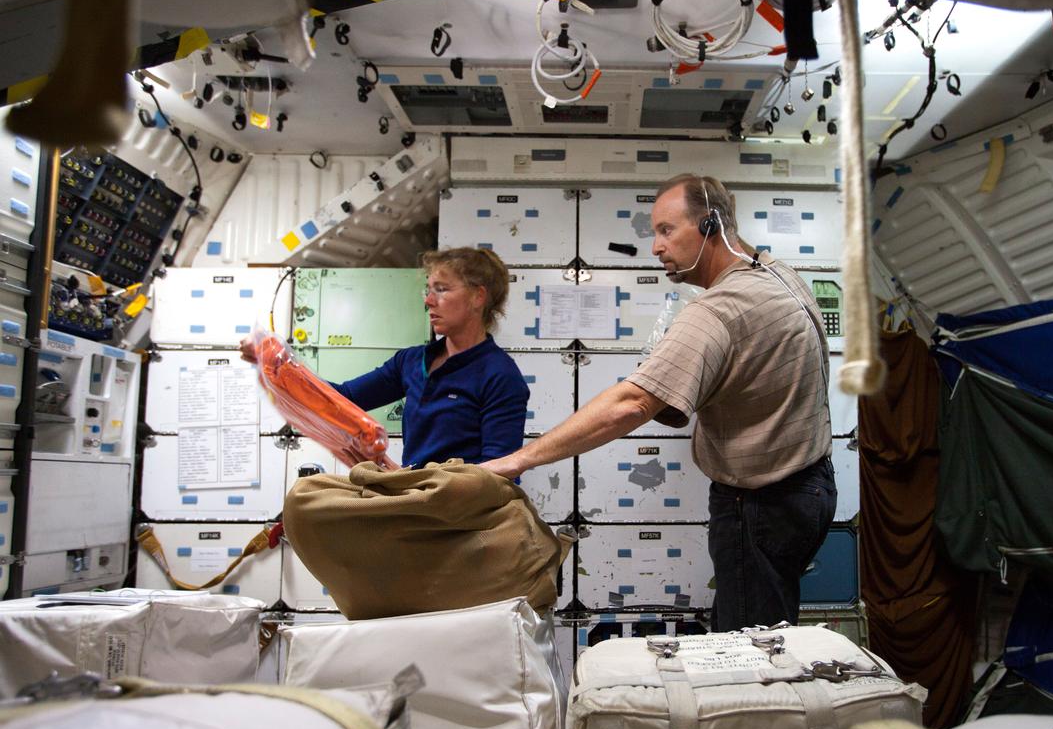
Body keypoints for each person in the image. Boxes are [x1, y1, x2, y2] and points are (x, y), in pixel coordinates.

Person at [482, 174, 835, 631]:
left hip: (762, 505)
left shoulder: (718, 310)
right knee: (760, 620)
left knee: (752, 645)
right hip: (812, 487)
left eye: (667, 230)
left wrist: (517, 460)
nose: (655, 247)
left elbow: (630, 404)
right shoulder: (778, 274)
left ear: (711, 227)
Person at [242, 247, 529, 467]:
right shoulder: (412, 362)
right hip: (415, 501)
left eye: (441, 290)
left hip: (461, 516)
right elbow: (342, 399)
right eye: (428, 290)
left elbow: (499, 472)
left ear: (478, 297)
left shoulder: (499, 375)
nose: (428, 300)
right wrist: (277, 364)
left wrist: (427, 490)